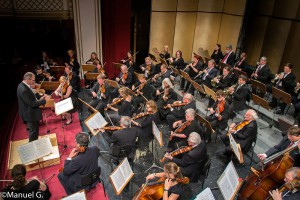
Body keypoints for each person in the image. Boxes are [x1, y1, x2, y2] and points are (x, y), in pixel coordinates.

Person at [17, 72, 50, 142]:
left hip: (28, 112)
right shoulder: (23, 89)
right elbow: (31, 103)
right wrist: (44, 101)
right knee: (34, 132)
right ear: (27, 79)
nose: (34, 82)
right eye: (33, 80)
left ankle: (34, 145)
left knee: (34, 131)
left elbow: (30, 100)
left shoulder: (22, 85)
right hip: (30, 114)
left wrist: (39, 99)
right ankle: (32, 147)